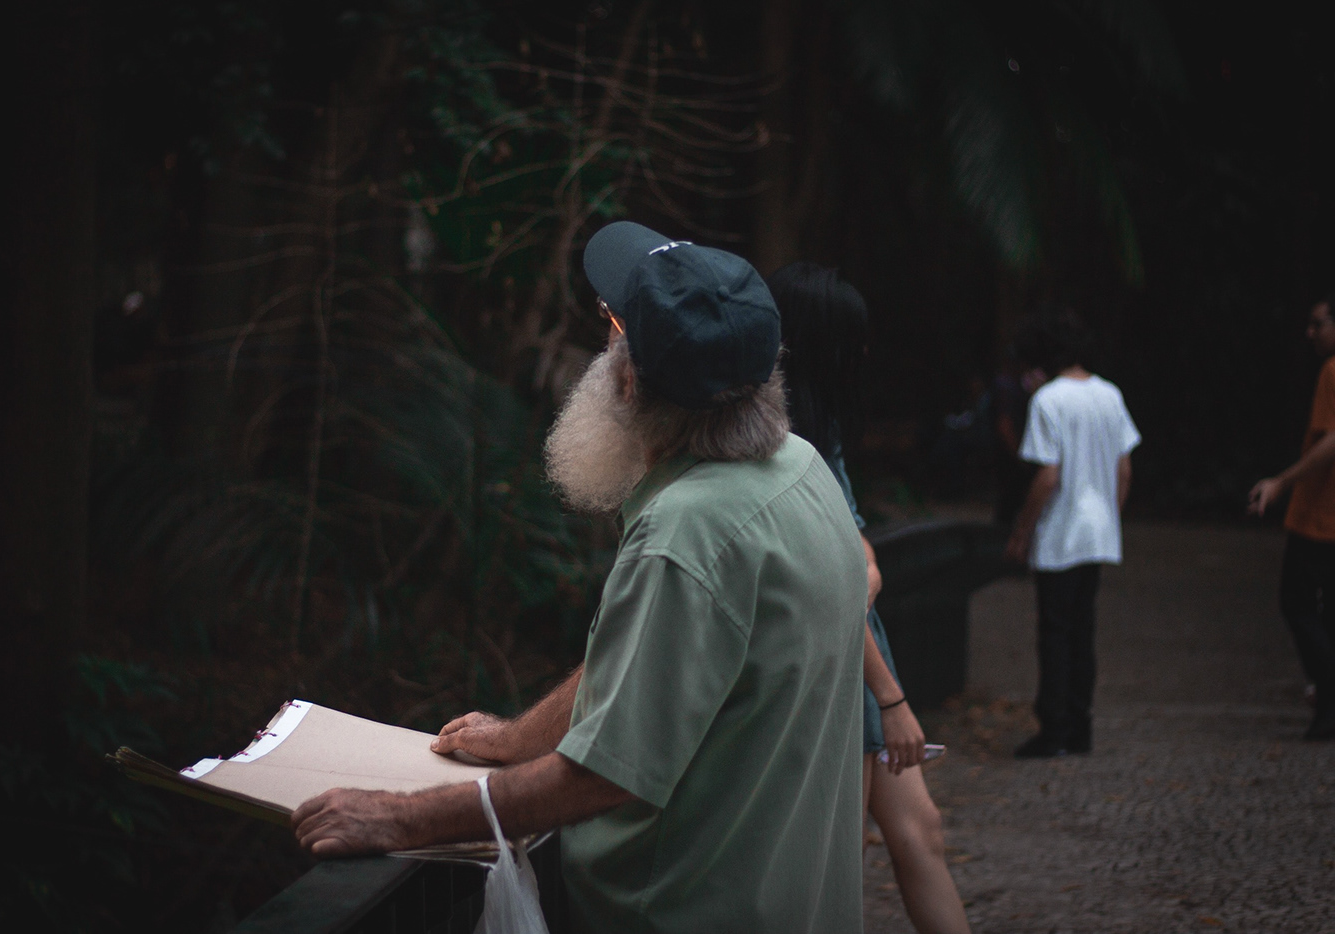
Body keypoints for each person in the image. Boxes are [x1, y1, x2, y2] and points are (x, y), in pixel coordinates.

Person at [291, 222, 869, 933]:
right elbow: (647, 676)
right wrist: (518, 736)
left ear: (628, 379)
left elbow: (604, 775)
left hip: (688, 910)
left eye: (611, 327)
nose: (603, 344)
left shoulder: (687, 537)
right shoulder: (801, 469)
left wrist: (400, 818)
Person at [768, 261, 971, 934]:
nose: (864, 352)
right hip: (843, 666)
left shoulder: (818, 435)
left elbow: (859, 562)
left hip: (858, 652)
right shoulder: (788, 443)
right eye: (853, 337)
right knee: (838, 863)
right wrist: (893, 701)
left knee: (922, 832)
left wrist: (865, 570)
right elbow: (839, 590)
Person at [1006, 310, 1140, 758]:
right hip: (1100, 531)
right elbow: (1124, 469)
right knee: (1083, 630)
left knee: (1056, 632)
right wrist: (1110, 516)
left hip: (1061, 532)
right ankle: (1080, 726)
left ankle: (1054, 730)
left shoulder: (1049, 400)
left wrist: (1022, 532)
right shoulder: (1111, 395)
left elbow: (1047, 476)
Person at [1248, 294, 1335, 740]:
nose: (1311, 332)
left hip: (1321, 516)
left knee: (1297, 602)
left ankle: (1328, 697)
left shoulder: (1333, 371)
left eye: (1318, 324)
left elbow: (1331, 442)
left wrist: (1282, 482)